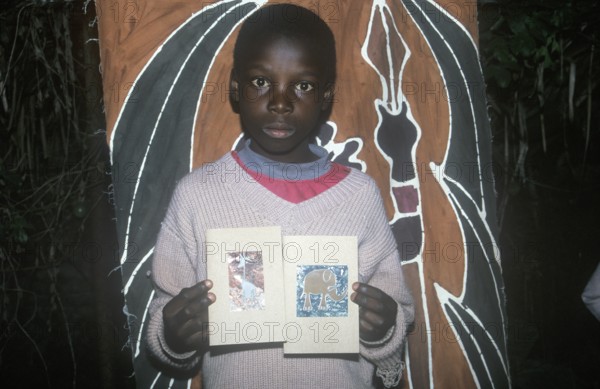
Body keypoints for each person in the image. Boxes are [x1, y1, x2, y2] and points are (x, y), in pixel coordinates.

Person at [146, 4, 414, 388]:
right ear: (235, 88)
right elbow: (164, 314)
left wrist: (382, 329)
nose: (280, 102)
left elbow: (396, 319)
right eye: (261, 82)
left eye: (302, 85)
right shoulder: (198, 196)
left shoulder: (360, 198)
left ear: (326, 96)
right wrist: (173, 335)